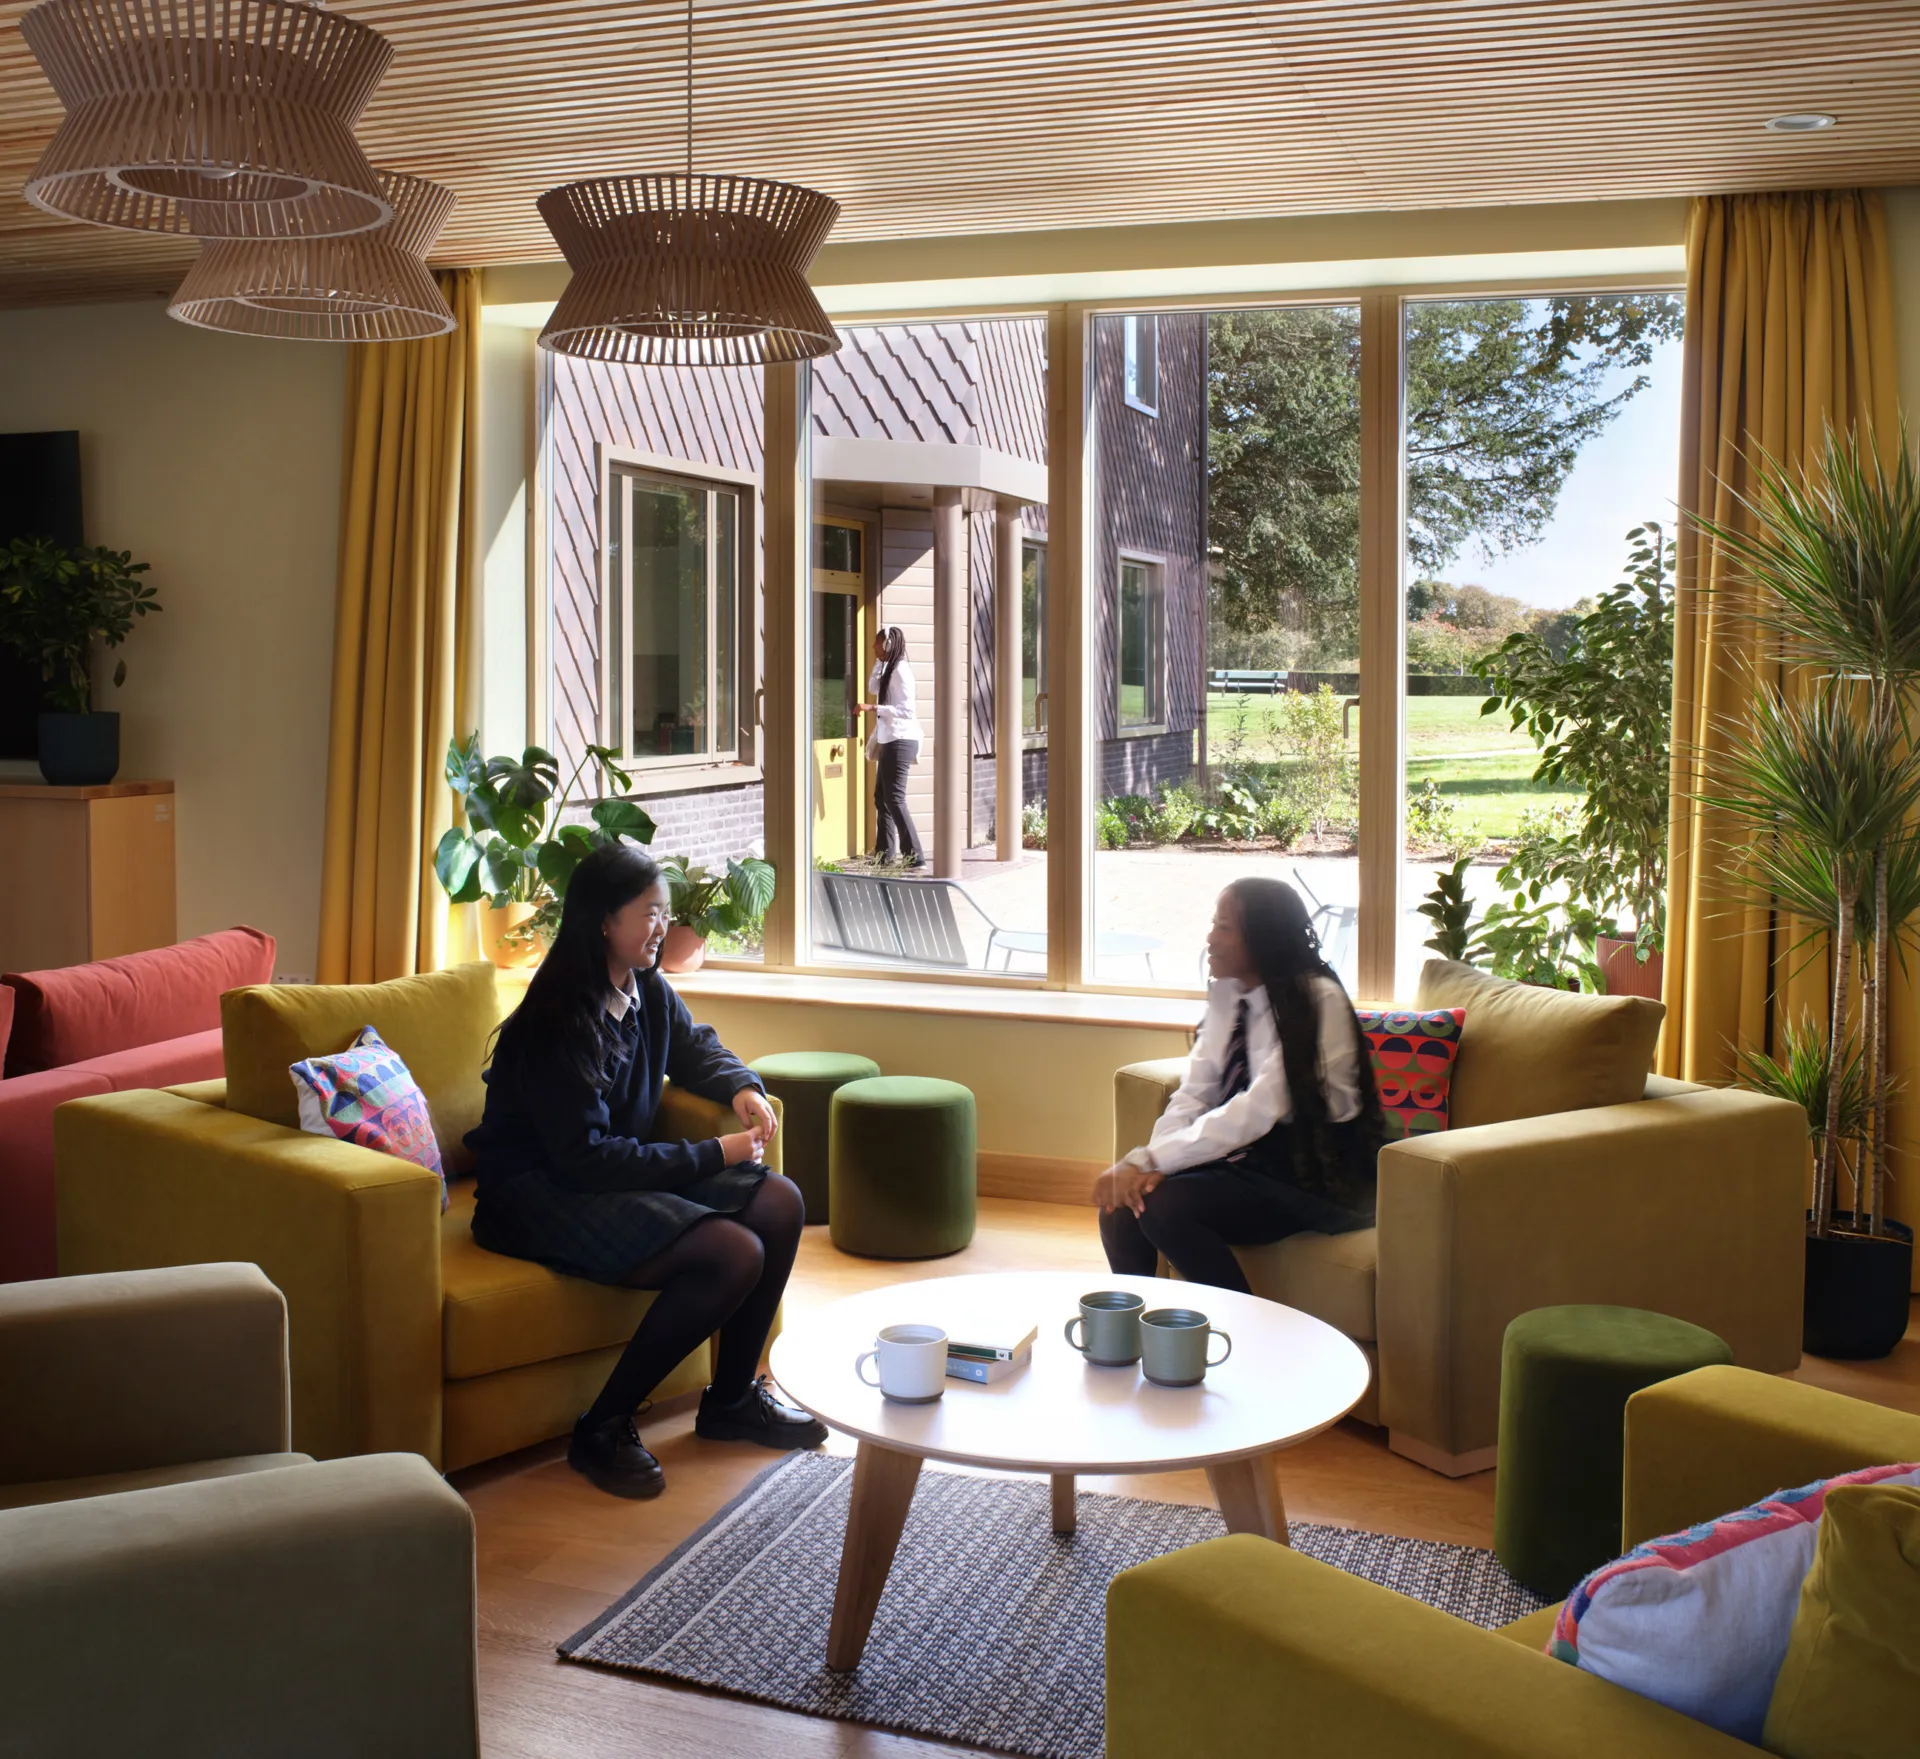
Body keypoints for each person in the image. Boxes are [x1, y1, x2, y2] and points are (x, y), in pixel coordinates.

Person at [466, 842, 825, 1499]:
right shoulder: (557, 1023)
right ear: (604, 921)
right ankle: (601, 1427)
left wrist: (742, 1086)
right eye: (650, 913)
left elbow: (694, 1047)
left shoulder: (645, 989)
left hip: (602, 1173)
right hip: (539, 1193)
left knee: (780, 1202)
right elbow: (585, 1158)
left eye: (664, 912)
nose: (663, 926)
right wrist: (718, 1152)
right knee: (731, 1253)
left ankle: (732, 1399)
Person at [1093, 877, 1384, 1293]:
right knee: (1123, 1206)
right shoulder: (1230, 995)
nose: (1210, 938)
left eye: (1224, 927)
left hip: (1313, 1173)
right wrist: (1155, 1166)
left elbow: (1259, 1108)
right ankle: (1143, 1337)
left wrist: (1150, 1161)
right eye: (1214, 924)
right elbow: (1195, 1093)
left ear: (1263, 936)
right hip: (1247, 1161)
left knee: (1164, 1208)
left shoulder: (1318, 1001)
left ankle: (1244, 1341)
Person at [858, 623, 924, 868]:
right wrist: (880, 661)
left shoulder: (901, 672)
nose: (874, 646)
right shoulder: (890, 668)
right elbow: (873, 687)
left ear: (888, 644)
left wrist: (874, 708)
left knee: (894, 798)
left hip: (901, 740)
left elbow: (907, 711)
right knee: (882, 797)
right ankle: (885, 856)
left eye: (878, 643)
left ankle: (915, 857)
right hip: (890, 740)